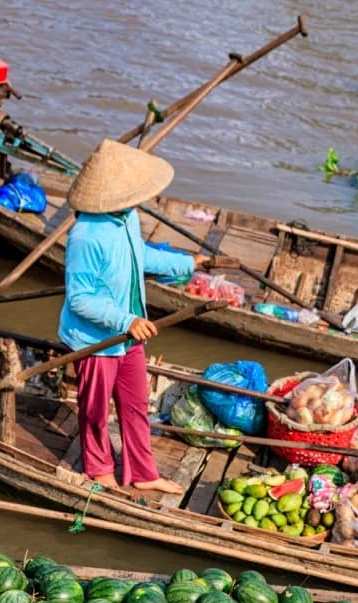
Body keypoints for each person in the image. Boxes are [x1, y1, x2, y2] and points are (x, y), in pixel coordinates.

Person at [59, 139, 208, 494]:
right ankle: (98, 468)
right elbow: (80, 299)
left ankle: (143, 472)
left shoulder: (127, 218)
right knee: (95, 410)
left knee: (136, 404)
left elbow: (140, 256)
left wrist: (185, 263)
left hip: (130, 333)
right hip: (97, 339)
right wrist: (125, 321)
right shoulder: (85, 236)